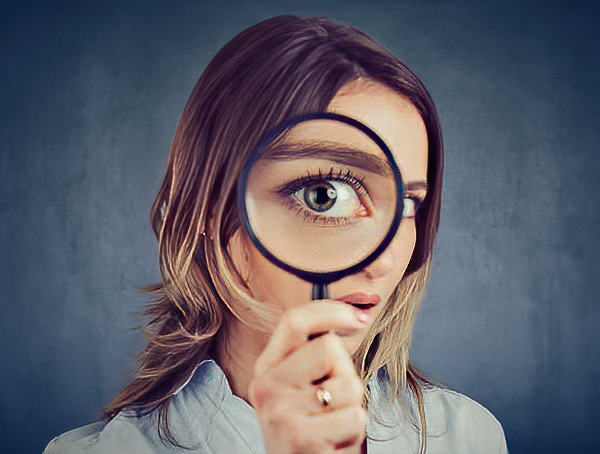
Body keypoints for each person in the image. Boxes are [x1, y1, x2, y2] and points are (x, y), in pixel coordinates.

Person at [44, 15, 507, 454]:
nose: (384, 260)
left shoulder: (466, 437)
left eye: (407, 204)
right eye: (325, 195)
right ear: (212, 207)